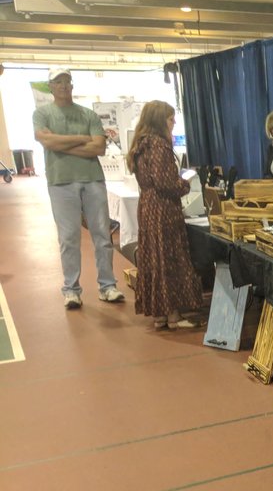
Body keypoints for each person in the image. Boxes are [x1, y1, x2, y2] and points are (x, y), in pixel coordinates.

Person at [33, 67, 125, 309]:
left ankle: (107, 286)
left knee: (103, 236)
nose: (63, 86)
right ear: (50, 86)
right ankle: (71, 290)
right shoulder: (42, 114)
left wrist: (60, 144)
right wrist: (83, 138)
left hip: (92, 179)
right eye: (58, 82)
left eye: (67, 81)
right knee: (68, 238)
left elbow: (99, 148)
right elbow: (46, 141)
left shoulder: (88, 115)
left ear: (72, 85)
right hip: (60, 183)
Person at [126, 101, 203, 330]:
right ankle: (174, 315)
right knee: (169, 257)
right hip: (163, 208)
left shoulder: (141, 144)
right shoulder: (159, 145)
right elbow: (165, 183)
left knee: (154, 258)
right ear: (160, 121)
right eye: (170, 119)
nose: (174, 123)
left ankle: (160, 314)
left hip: (148, 206)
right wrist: (184, 183)